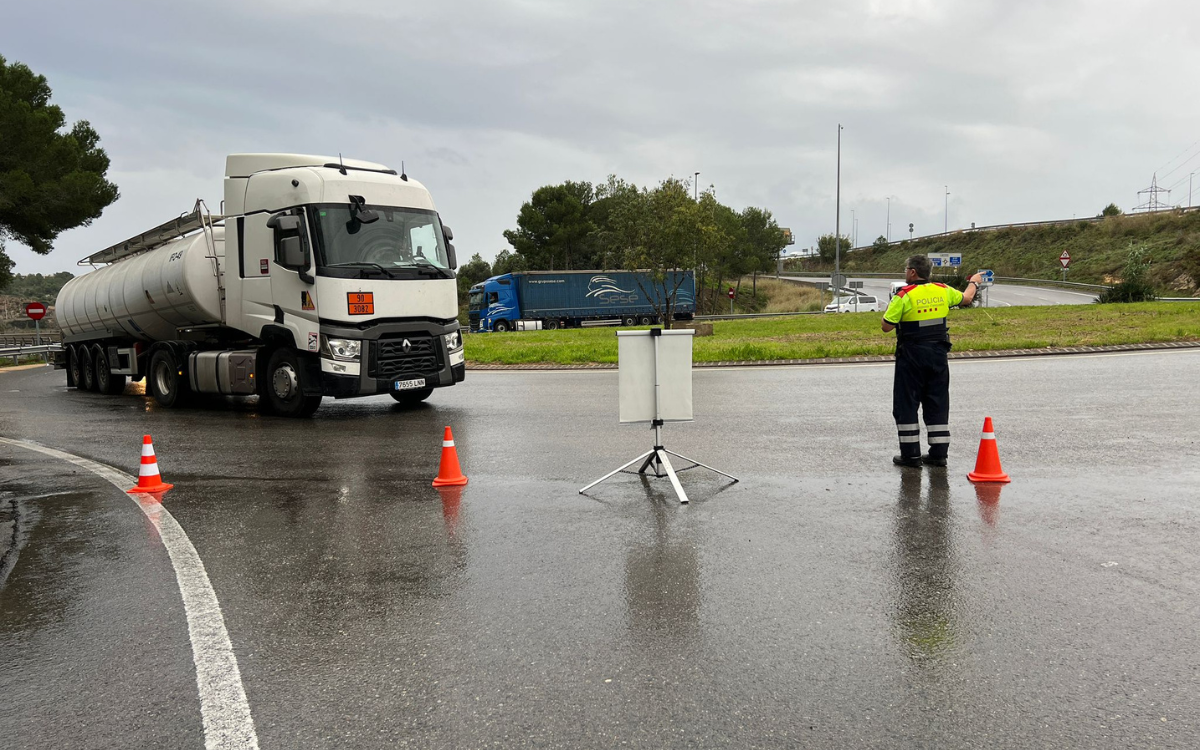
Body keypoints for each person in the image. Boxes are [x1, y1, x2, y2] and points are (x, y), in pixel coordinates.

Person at [881, 256, 982, 468]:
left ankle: (911, 456)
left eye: (906, 269)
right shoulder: (942, 289)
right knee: (937, 402)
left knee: (907, 404)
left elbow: (886, 326)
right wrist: (973, 281)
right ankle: (938, 454)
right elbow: (966, 299)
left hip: (911, 356)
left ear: (912, 273)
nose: (905, 272)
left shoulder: (903, 295)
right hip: (938, 354)